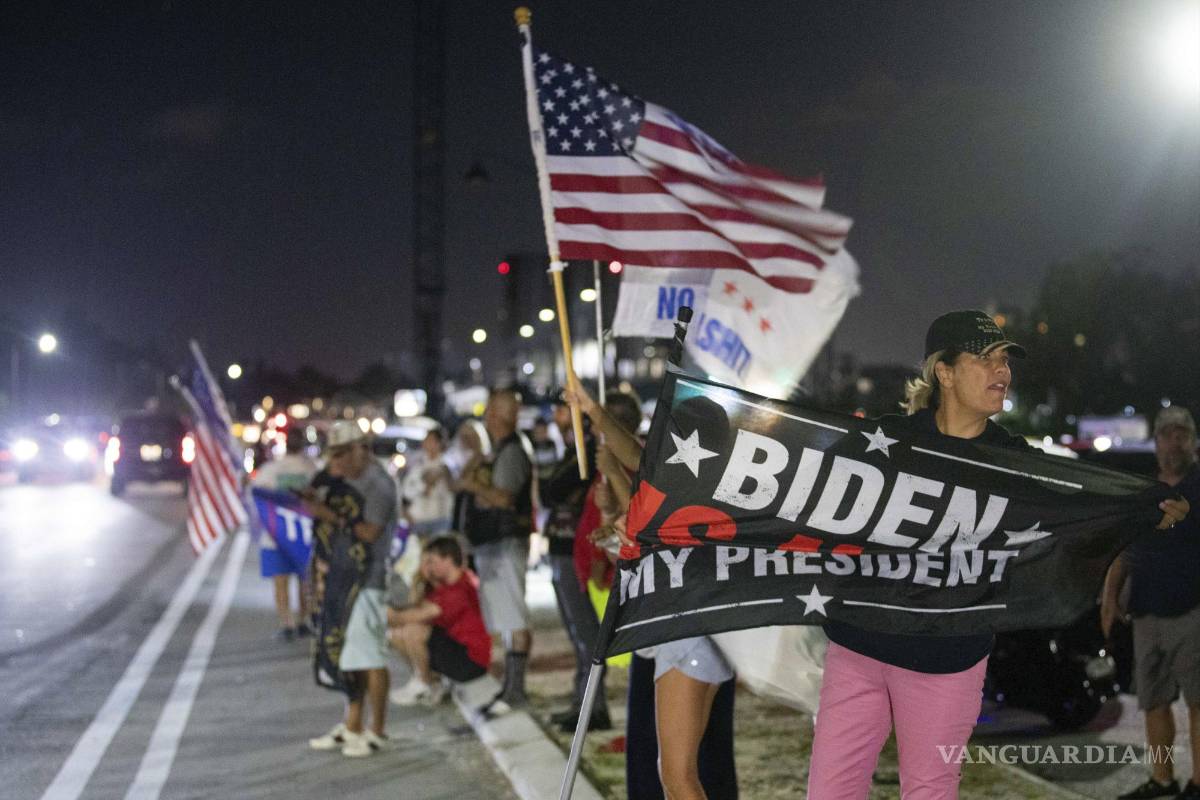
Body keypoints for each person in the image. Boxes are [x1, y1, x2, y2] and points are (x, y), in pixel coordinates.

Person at [807, 309, 1189, 798]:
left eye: (1005, 360)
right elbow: (800, 485)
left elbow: (1084, 502)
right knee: (830, 790)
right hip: (858, 649)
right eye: (986, 359)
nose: (1003, 371)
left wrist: (1142, 505)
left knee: (929, 789)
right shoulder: (886, 444)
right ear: (943, 372)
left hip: (947, 657)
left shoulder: (1015, 463)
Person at [567, 381, 739, 800]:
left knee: (678, 776)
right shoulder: (700, 480)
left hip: (689, 634)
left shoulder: (697, 490)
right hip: (690, 629)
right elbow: (637, 459)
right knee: (681, 771)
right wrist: (592, 410)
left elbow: (643, 496)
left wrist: (619, 502)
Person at [1103, 406, 1200, 800]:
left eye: (1181, 434)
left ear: (1192, 441)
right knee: (1154, 702)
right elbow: (1126, 548)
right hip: (1146, 610)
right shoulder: (1144, 489)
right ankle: (1163, 780)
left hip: (1194, 610)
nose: (1173, 442)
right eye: (1166, 435)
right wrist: (1110, 597)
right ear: (1156, 442)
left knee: (1199, 702)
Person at [305, 420, 399, 758]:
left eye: (344, 453)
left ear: (362, 448)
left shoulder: (378, 485)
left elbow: (370, 532)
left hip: (369, 578)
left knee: (370, 655)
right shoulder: (348, 480)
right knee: (349, 657)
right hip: (345, 578)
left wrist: (327, 515)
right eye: (334, 454)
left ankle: (378, 730)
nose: (339, 461)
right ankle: (353, 724)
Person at [456, 389, 535, 714]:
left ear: (504, 415)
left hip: (507, 544)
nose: (487, 417)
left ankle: (516, 689)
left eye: (492, 412)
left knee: (514, 616)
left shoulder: (513, 452)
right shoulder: (497, 451)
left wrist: (474, 488)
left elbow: (503, 498)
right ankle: (509, 687)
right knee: (504, 616)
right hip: (493, 544)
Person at [387, 536, 492, 705]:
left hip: (471, 661)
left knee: (412, 630)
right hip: (455, 650)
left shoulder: (461, 588)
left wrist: (388, 614)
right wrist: (419, 579)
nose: (427, 567)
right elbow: (417, 606)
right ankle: (426, 680)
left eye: (431, 561)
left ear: (448, 560)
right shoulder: (444, 585)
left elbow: (412, 616)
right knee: (397, 634)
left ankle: (424, 683)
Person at [251, 428, 318, 640]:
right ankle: (302, 620)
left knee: (281, 583)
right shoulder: (312, 469)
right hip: (304, 537)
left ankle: (287, 622)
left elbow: (255, 494)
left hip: (276, 536)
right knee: (305, 581)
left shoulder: (271, 470)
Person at [401, 427, 454, 541]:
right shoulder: (417, 464)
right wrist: (424, 486)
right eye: (426, 440)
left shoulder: (448, 465)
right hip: (417, 519)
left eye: (431, 440)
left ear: (440, 443)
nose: (427, 443)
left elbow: (452, 488)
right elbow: (407, 491)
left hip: (439, 519)